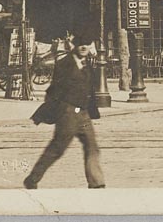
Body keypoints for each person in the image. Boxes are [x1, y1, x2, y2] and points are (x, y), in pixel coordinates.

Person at [24, 32, 105, 189]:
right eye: (80, 43)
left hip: (83, 114)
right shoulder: (64, 64)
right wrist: (50, 111)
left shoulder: (87, 64)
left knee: (92, 146)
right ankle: (32, 179)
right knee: (57, 149)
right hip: (68, 113)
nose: (83, 47)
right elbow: (54, 90)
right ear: (74, 45)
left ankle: (96, 183)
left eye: (87, 44)